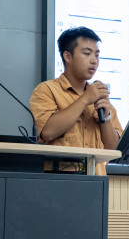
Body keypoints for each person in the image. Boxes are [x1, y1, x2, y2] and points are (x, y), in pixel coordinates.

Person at [30, 27, 123, 175]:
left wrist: (106, 119)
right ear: (67, 56)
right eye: (87, 53)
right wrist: (85, 99)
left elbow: (113, 149)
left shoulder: (100, 97)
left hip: (96, 180)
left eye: (97, 55)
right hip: (57, 180)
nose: (94, 60)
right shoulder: (46, 90)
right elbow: (48, 132)